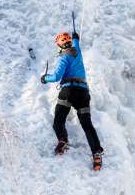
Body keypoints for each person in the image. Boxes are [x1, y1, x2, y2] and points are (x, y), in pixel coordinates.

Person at [40, 31, 104, 170]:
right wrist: (75, 37)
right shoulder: (77, 51)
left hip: (68, 91)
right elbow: (76, 43)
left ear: (60, 46)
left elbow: (56, 77)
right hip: (83, 93)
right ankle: (96, 153)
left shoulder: (64, 57)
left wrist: (45, 78)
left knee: (58, 121)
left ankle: (63, 140)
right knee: (87, 125)